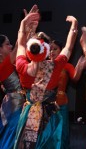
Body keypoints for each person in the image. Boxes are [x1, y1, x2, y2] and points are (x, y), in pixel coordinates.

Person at [14, 9, 78, 149]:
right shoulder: (55, 66)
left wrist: (24, 24)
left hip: (29, 114)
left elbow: (20, 44)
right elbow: (69, 46)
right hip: (49, 116)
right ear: (47, 50)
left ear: (30, 51)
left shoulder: (22, 66)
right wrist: (74, 25)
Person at [49, 39, 86, 149]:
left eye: (55, 49)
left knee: (61, 134)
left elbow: (75, 78)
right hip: (45, 103)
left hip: (61, 103)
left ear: (61, 51)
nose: (52, 52)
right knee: (47, 134)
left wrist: (80, 64)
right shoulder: (43, 64)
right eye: (50, 49)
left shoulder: (66, 65)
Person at [0, 34, 25, 149]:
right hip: (15, 105)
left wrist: (29, 30)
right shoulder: (4, 65)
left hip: (15, 103)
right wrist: (24, 26)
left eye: (10, 43)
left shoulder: (9, 63)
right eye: (7, 44)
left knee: (18, 138)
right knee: (13, 138)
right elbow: (18, 46)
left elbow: (21, 45)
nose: (10, 46)